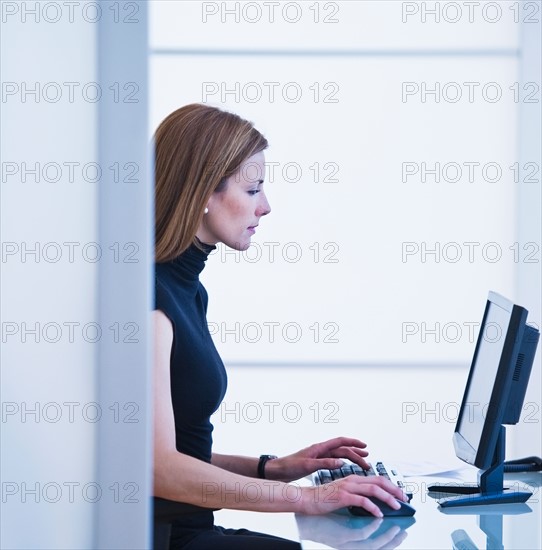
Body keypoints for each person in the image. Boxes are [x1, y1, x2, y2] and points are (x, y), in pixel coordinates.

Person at [152, 103, 408, 549]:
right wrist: (305, 498)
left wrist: (273, 467)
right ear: (203, 194)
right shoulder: (150, 302)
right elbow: (157, 468)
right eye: (253, 189)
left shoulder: (185, 289)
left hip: (189, 530)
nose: (266, 207)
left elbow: (180, 452)